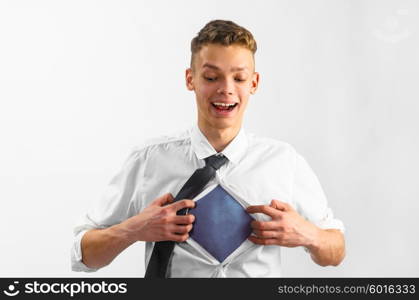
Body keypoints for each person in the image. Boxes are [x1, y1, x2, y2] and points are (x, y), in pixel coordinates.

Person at [71, 19, 345, 277]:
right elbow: (83, 256)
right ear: (190, 79)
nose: (226, 89)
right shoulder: (149, 160)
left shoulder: (284, 161)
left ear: (254, 83)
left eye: (238, 78)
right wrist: (135, 229)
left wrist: (308, 234)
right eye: (212, 77)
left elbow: (335, 252)